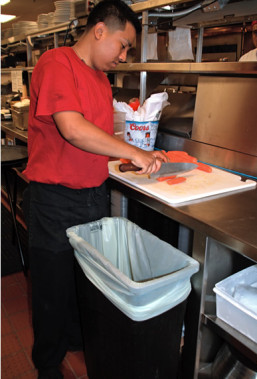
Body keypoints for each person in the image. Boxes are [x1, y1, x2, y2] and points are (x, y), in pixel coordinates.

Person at [22, 1, 167, 377]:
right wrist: (133, 151)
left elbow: (97, 141)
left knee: (84, 283)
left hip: (92, 197)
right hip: (54, 201)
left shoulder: (102, 80)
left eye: (128, 51)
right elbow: (72, 128)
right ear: (99, 30)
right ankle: (48, 365)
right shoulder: (57, 63)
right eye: (122, 45)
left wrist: (137, 155)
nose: (123, 55)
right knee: (52, 291)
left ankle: (74, 339)